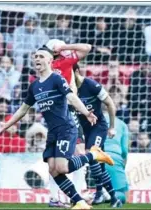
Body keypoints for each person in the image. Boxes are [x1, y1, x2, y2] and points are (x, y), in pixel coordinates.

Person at [0, 46, 114, 210]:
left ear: (50, 60)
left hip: (66, 128)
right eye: (35, 57)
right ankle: (80, 202)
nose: (37, 59)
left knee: (62, 167)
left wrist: (86, 113)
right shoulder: (34, 86)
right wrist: (6, 125)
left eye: (41, 56)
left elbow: (72, 97)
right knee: (53, 170)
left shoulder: (57, 79)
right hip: (53, 131)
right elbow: (23, 109)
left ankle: (93, 155)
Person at [44, 39, 91, 208]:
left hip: (54, 113)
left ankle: (55, 197)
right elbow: (87, 48)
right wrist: (65, 47)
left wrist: (61, 48)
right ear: (57, 50)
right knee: (79, 152)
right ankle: (79, 194)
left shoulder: (47, 66)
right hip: (68, 110)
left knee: (55, 158)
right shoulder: (64, 61)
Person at [73, 64, 122, 207]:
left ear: (76, 71)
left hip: (98, 127)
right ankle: (107, 195)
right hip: (83, 129)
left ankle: (105, 194)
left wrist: (112, 127)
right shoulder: (68, 89)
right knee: (97, 164)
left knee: (91, 154)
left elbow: (110, 104)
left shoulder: (91, 85)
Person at [103, 109, 129, 204]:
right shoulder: (122, 124)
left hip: (94, 157)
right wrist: (122, 166)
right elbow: (125, 150)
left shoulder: (94, 120)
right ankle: (106, 195)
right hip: (114, 158)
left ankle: (99, 193)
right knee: (122, 193)